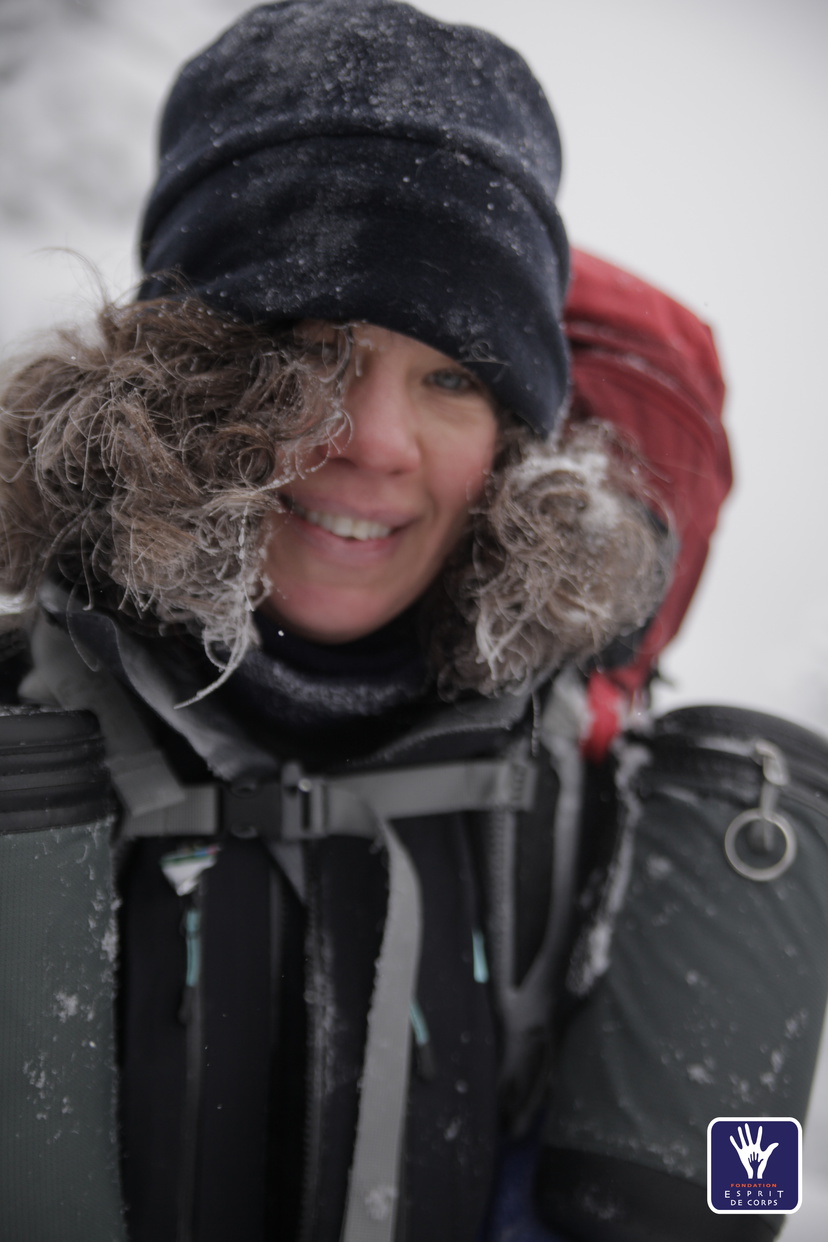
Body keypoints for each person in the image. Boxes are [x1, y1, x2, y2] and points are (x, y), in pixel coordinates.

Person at [1, 4, 826, 1242]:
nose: (378, 442)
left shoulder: (601, 819)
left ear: (513, 439)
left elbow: (746, 1184)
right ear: (170, 376)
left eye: (453, 377)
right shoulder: (24, 743)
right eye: (310, 349)